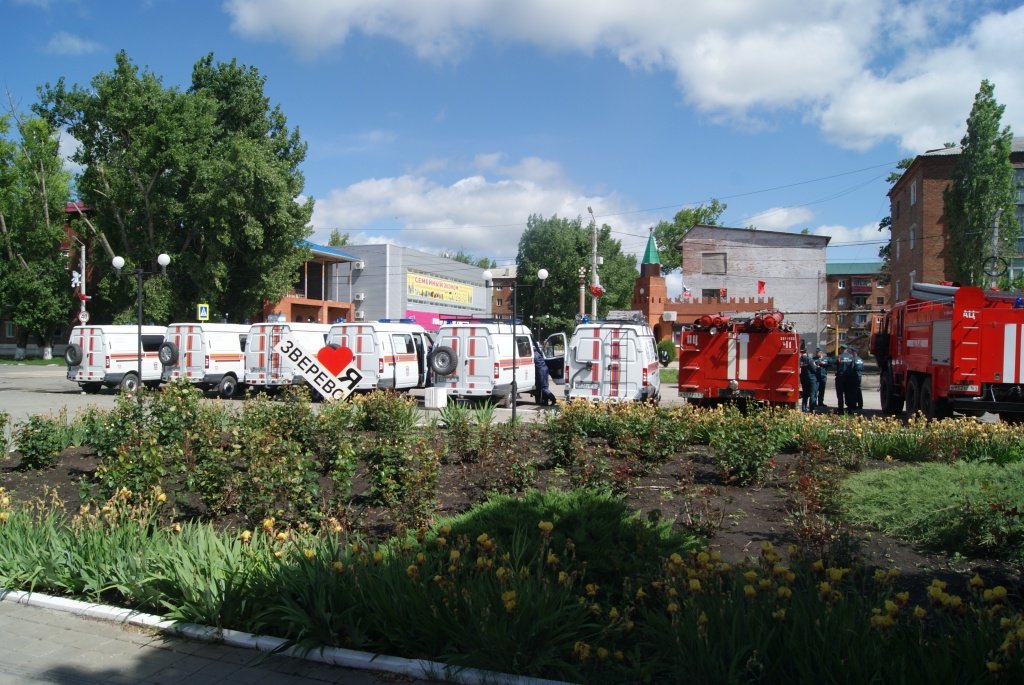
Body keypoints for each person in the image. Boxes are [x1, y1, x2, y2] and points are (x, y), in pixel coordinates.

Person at [834, 345, 854, 414]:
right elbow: (853, 366)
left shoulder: (839, 357)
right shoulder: (851, 357)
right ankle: (849, 409)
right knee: (848, 393)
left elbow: (834, 364)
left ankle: (840, 409)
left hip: (840, 377)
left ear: (842, 349)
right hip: (849, 378)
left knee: (840, 394)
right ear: (846, 349)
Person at [799, 343, 817, 412]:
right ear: (806, 352)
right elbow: (814, 369)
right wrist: (817, 367)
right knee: (812, 394)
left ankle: (804, 409)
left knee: (805, 394)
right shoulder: (809, 359)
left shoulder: (799, 360)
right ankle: (812, 409)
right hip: (811, 379)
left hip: (803, 379)